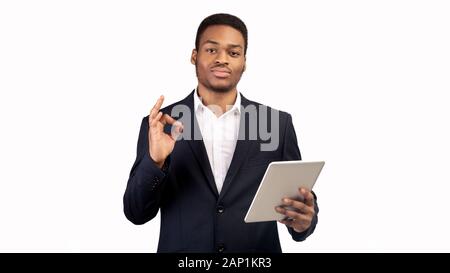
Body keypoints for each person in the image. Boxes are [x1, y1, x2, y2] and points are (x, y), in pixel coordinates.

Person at [123, 13, 318, 253]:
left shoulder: (277, 123)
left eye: (233, 53)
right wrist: (155, 161)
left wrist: (305, 222)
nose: (222, 59)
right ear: (194, 56)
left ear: (244, 62)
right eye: (212, 50)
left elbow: (299, 200)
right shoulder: (160, 124)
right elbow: (136, 212)